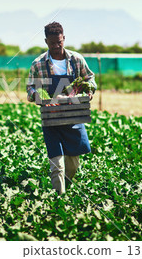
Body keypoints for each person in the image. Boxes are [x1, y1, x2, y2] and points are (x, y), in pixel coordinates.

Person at [26, 21, 96, 194]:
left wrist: (90, 90)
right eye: (52, 43)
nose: (56, 46)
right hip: (52, 119)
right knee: (57, 165)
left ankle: (67, 188)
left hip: (74, 117)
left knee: (73, 165)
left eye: (59, 42)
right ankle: (59, 199)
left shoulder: (76, 59)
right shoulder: (38, 64)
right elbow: (30, 88)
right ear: (46, 42)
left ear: (64, 38)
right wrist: (37, 96)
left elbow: (90, 78)